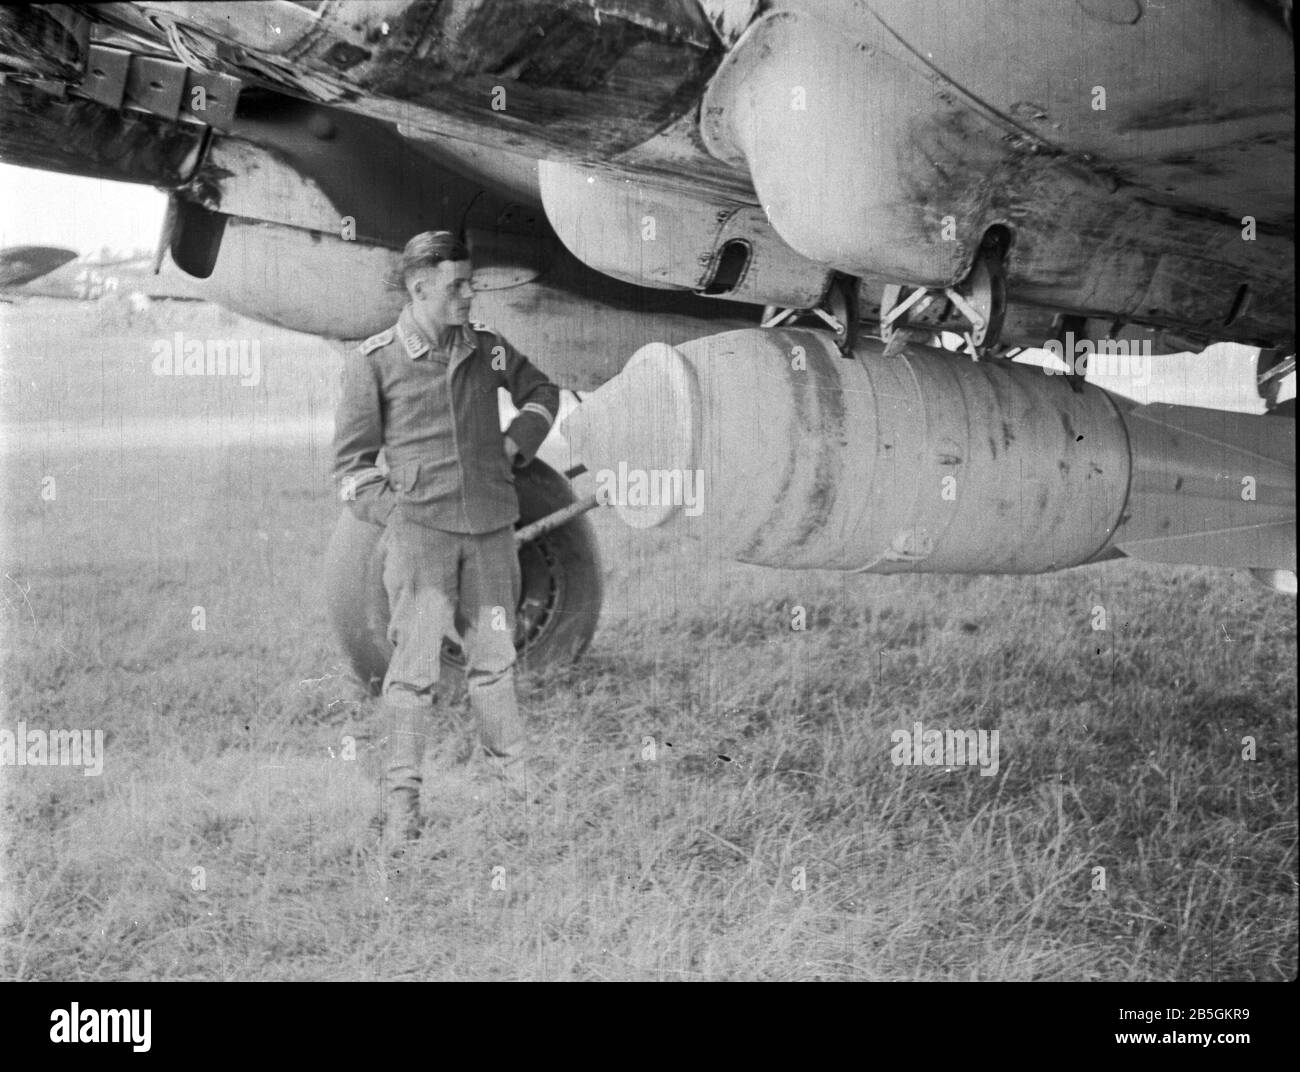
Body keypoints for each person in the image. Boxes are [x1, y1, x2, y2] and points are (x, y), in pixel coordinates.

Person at [333, 230, 559, 846]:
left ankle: (514, 791)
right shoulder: (375, 362)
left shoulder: (485, 350)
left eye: (471, 282)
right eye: (458, 285)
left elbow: (542, 392)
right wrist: (399, 517)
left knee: (493, 665)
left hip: (489, 537)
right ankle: (403, 806)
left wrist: (518, 443)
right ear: (419, 286)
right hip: (423, 546)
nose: (469, 294)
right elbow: (350, 474)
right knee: (411, 678)